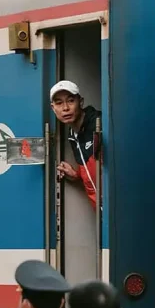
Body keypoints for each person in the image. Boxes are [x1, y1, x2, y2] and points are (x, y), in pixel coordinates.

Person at [50, 80, 101, 210]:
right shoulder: (73, 134)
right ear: (53, 108)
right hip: (101, 211)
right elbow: (93, 167)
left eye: (71, 100)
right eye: (59, 103)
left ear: (81, 102)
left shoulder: (99, 124)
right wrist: (76, 175)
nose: (65, 108)